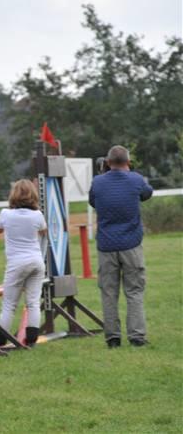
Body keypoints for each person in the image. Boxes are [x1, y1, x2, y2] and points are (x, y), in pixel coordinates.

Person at [89, 145, 153, 348]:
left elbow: (93, 202)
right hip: (131, 244)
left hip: (106, 245)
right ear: (128, 161)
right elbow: (147, 193)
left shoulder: (97, 182)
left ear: (108, 163)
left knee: (109, 292)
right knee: (134, 291)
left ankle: (113, 338)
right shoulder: (136, 179)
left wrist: (104, 177)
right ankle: (137, 336)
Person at [0, 180, 47, 348]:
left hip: (16, 263)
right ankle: (31, 338)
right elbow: (44, 232)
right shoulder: (37, 215)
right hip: (36, 261)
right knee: (33, 302)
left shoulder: (5, 214)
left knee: (9, 304)